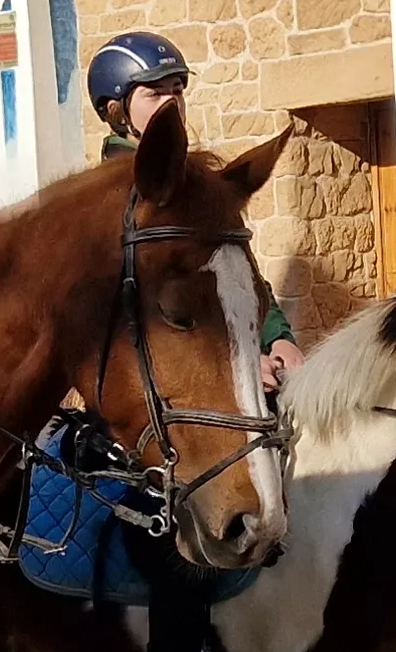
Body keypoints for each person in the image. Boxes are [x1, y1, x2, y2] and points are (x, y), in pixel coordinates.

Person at [88, 32, 301, 392]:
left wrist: (278, 338)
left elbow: (237, 280)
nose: (171, 102)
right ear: (115, 110)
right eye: (154, 94)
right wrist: (239, 363)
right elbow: (143, 321)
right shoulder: (106, 202)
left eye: (177, 90)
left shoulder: (194, 185)